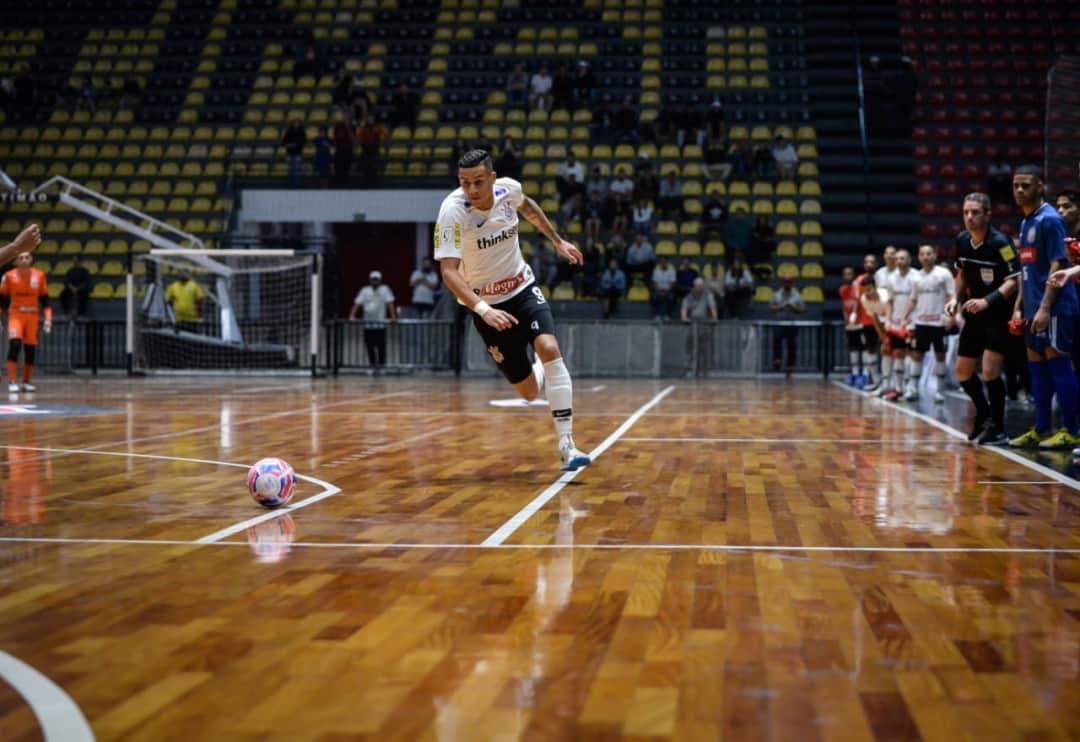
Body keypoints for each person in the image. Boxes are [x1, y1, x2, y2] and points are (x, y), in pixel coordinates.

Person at [434, 149, 590, 470]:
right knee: (530, 392)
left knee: (549, 347)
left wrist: (558, 241)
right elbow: (449, 272)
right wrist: (482, 310)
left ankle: (567, 445)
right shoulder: (452, 213)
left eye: (478, 181)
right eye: (465, 183)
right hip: (486, 307)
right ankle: (535, 370)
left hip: (521, 288)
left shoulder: (508, 189)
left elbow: (528, 206)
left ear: (492, 178)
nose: (472, 190)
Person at [1008, 165, 1080, 449]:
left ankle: (1072, 431)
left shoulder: (1050, 220)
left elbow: (1058, 263)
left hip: (1055, 307)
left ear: (1040, 187)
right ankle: (1041, 428)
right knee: (1036, 368)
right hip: (1032, 308)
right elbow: (1026, 272)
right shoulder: (1025, 223)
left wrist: (1045, 306)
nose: (1019, 191)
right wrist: (1019, 307)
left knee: (1059, 365)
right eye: (1016, 186)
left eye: (1026, 185)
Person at [946, 192, 1020, 444]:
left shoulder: (1002, 243)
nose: (969, 217)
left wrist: (987, 300)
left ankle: (998, 427)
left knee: (989, 371)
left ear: (988, 214)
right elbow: (963, 274)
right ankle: (984, 413)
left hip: (998, 314)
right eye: (966, 212)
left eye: (975, 212)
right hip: (973, 314)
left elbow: (1014, 281)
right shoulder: (962, 240)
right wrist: (955, 299)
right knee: (963, 371)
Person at [903, 244, 955, 403]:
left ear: (935, 255)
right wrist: (905, 316)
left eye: (929, 253)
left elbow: (951, 296)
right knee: (917, 356)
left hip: (939, 323)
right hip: (921, 323)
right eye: (922, 254)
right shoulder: (915, 277)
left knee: (940, 356)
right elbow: (913, 299)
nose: (925, 256)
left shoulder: (944, 274)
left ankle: (939, 391)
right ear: (919, 257)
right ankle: (913, 389)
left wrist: (951, 317)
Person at [0, 251, 52, 393]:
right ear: (16, 261)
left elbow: (45, 300)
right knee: (15, 344)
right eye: (20, 258)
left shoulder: (39, 275)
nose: (24, 260)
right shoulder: (9, 276)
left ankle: (26, 382)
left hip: (32, 316)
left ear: (31, 259)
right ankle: (11, 381)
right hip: (16, 315)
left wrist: (48, 319)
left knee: (30, 350)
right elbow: (1, 299)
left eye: (26, 257)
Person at [883, 248, 917, 401]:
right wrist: (888, 319)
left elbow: (916, 300)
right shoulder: (891, 278)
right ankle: (898, 389)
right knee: (897, 354)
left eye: (903, 258)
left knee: (912, 354)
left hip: (912, 322)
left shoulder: (916, 276)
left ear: (909, 259)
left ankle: (912, 388)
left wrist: (908, 318)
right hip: (896, 323)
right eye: (897, 259)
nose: (899, 261)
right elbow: (890, 301)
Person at [349, 270, 396, 369]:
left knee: (381, 346)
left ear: (380, 280)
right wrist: (352, 315)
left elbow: (390, 303)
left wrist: (393, 316)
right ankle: (372, 365)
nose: (375, 281)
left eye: (377, 279)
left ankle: (382, 366)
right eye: (373, 279)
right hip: (368, 324)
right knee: (370, 346)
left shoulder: (385, 289)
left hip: (380, 324)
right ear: (370, 280)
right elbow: (357, 303)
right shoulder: (365, 290)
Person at [770, 275, 805, 377]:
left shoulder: (797, 295)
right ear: (783, 283)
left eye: (789, 282)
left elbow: (803, 309)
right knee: (777, 341)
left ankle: (790, 367)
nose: (787, 284)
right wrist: (781, 307)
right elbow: (771, 308)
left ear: (792, 283)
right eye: (786, 282)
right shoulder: (777, 294)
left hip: (792, 323)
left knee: (791, 345)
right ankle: (777, 361)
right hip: (779, 322)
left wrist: (794, 307)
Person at [280, 119, 306, 184]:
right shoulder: (288, 132)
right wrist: (290, 145)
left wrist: (292, 144)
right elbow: (283, 142)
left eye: (297, 123)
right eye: (295, 123)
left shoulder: (301, 132)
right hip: (289, 153)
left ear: (299, 124)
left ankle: (297, 184)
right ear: (292, 124)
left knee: (297, 170)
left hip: (298, 153)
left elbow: (302, 142)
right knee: (290, 169)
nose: (296, 124)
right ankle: (290, 183)